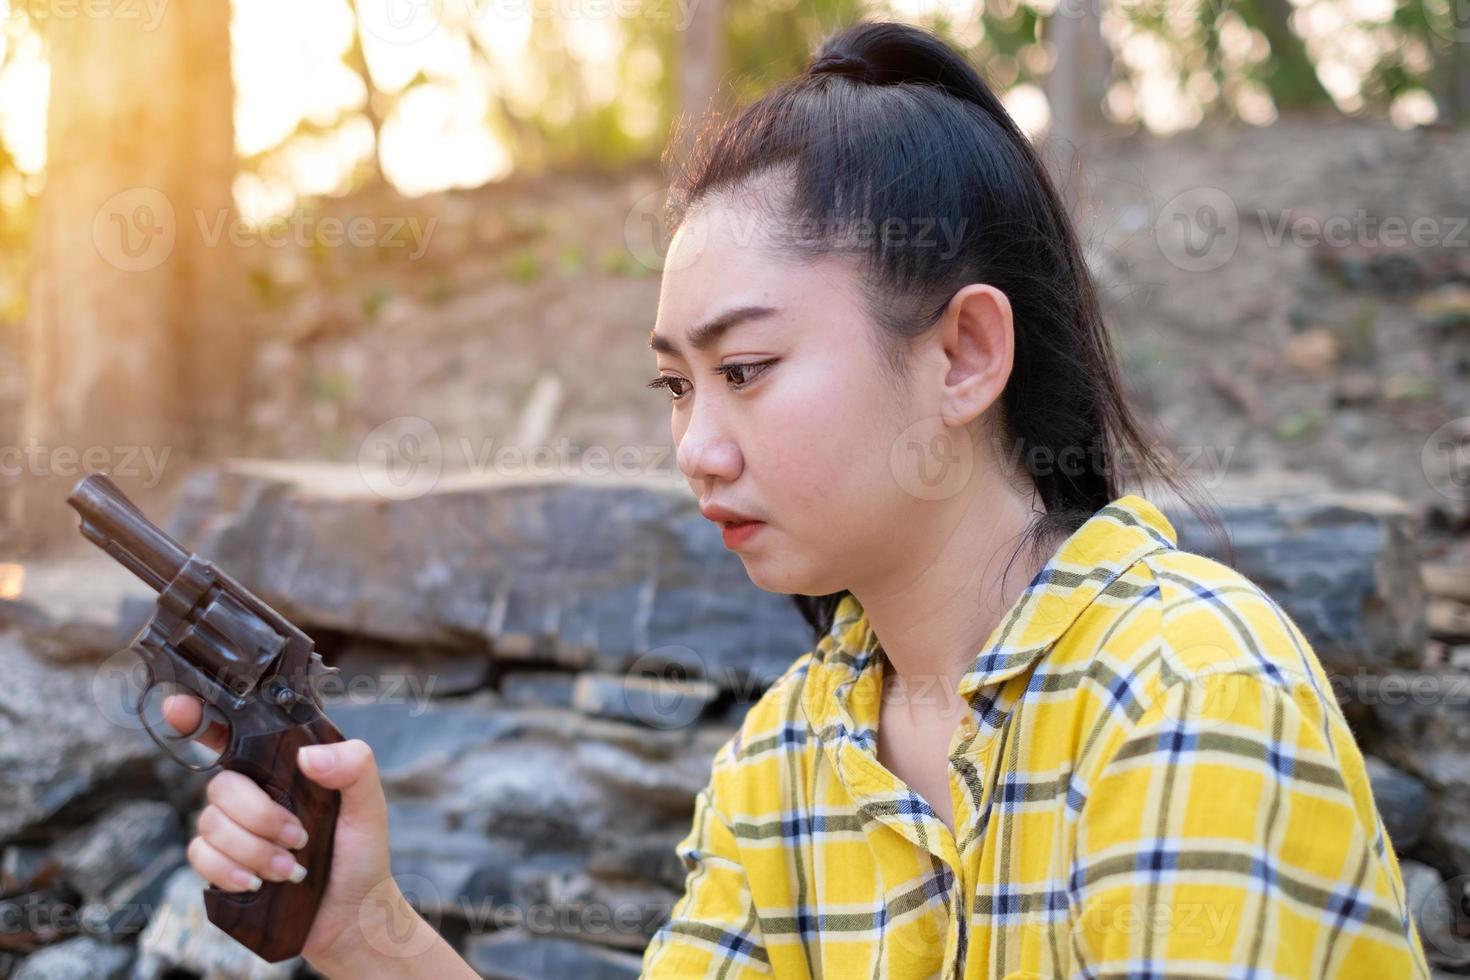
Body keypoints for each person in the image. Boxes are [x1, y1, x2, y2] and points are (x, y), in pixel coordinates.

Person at [164, 17, 1432, 979]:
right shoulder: (786, 758)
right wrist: (363, 924)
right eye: (676, 385)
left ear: (963, 356)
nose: (696, 447)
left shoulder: (1183, 687)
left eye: (749, 369)